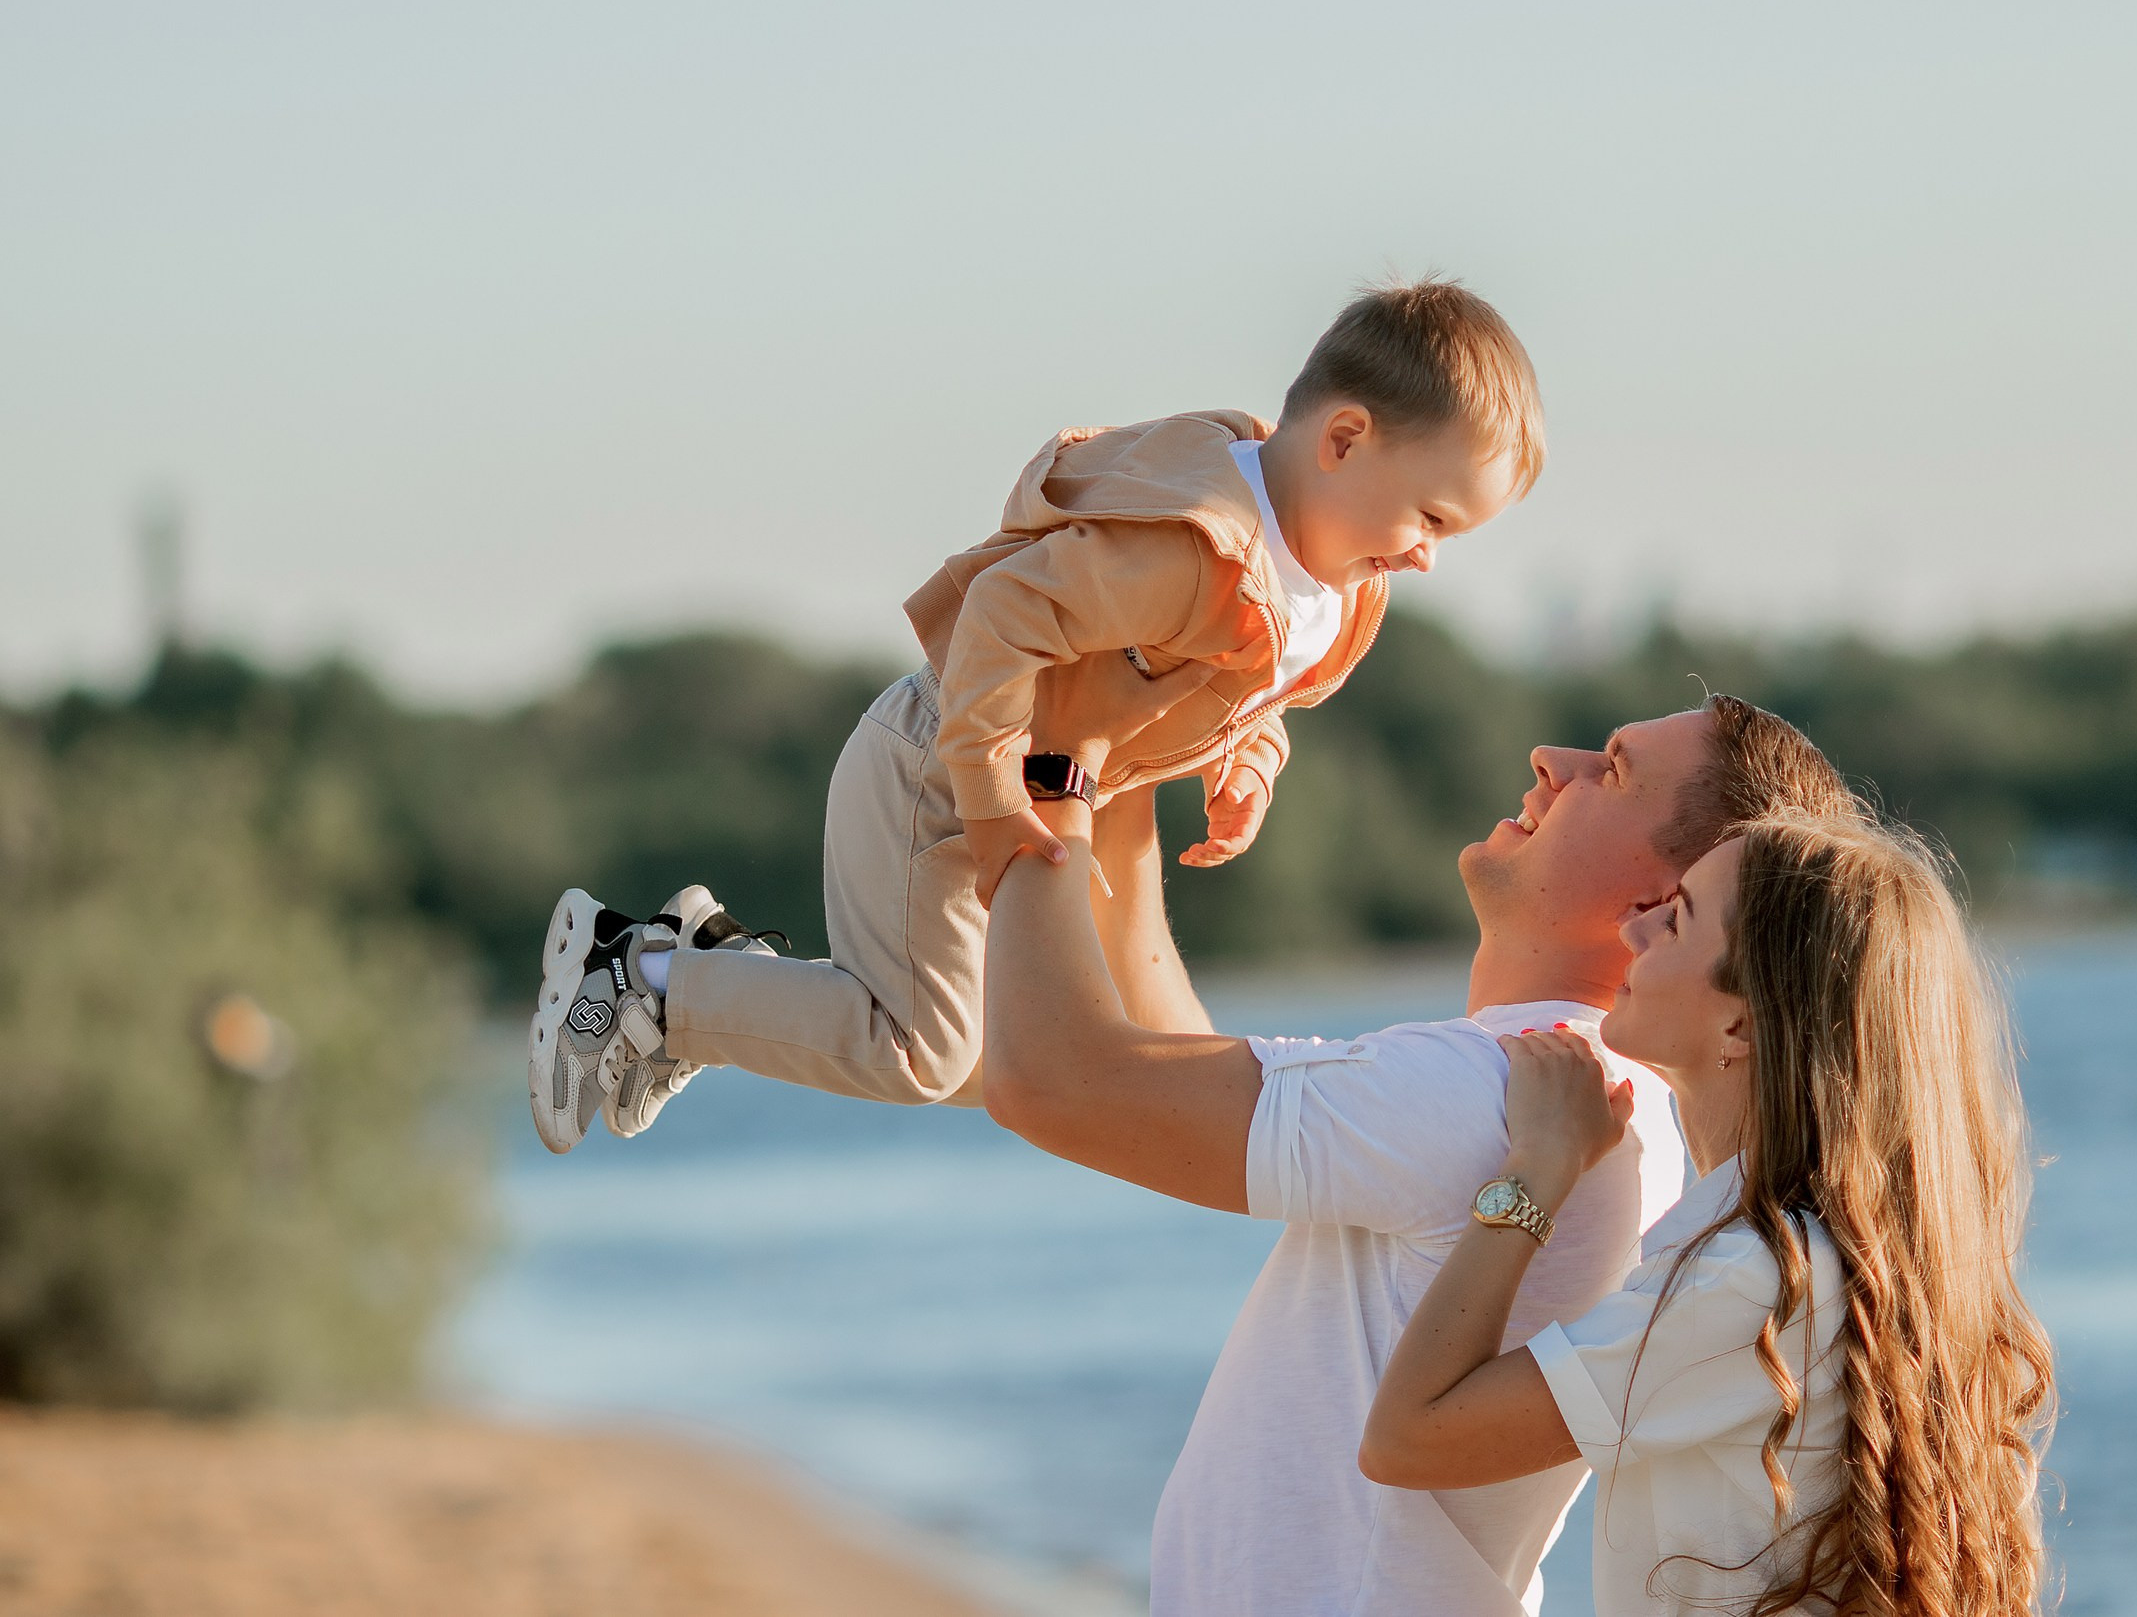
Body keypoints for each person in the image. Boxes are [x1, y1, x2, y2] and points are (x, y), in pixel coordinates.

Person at [525, 278, 1545, 1152]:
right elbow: (1002, 615)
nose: (1426, 557)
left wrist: (1249, 766)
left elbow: (1252, 691)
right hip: (937, 769)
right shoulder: (1190, 550)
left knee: (1015, 1070)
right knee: (922, 1055)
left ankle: (713, 973)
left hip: (1029, 786)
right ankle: (642, 975)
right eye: (1431, 518)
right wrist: (983, 796)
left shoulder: (1327, 578)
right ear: (1345, 439)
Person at [978, 648, 1858, 1617]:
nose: (1547, 760)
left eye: (1608, 771)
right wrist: (1132, 774)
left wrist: (1060, 760)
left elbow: (1053, 1084)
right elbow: (1163, 1069)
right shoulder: (1552, 1086)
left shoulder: (1496, 1086)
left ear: (1659, 905)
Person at [1359, 812, 2055, 1617]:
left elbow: (1410, 1435)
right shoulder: (1829, 1257)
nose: (1632, 923)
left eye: (1675, 915)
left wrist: (1538, 1170)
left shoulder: (1755, 1280)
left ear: (1742, 1022)